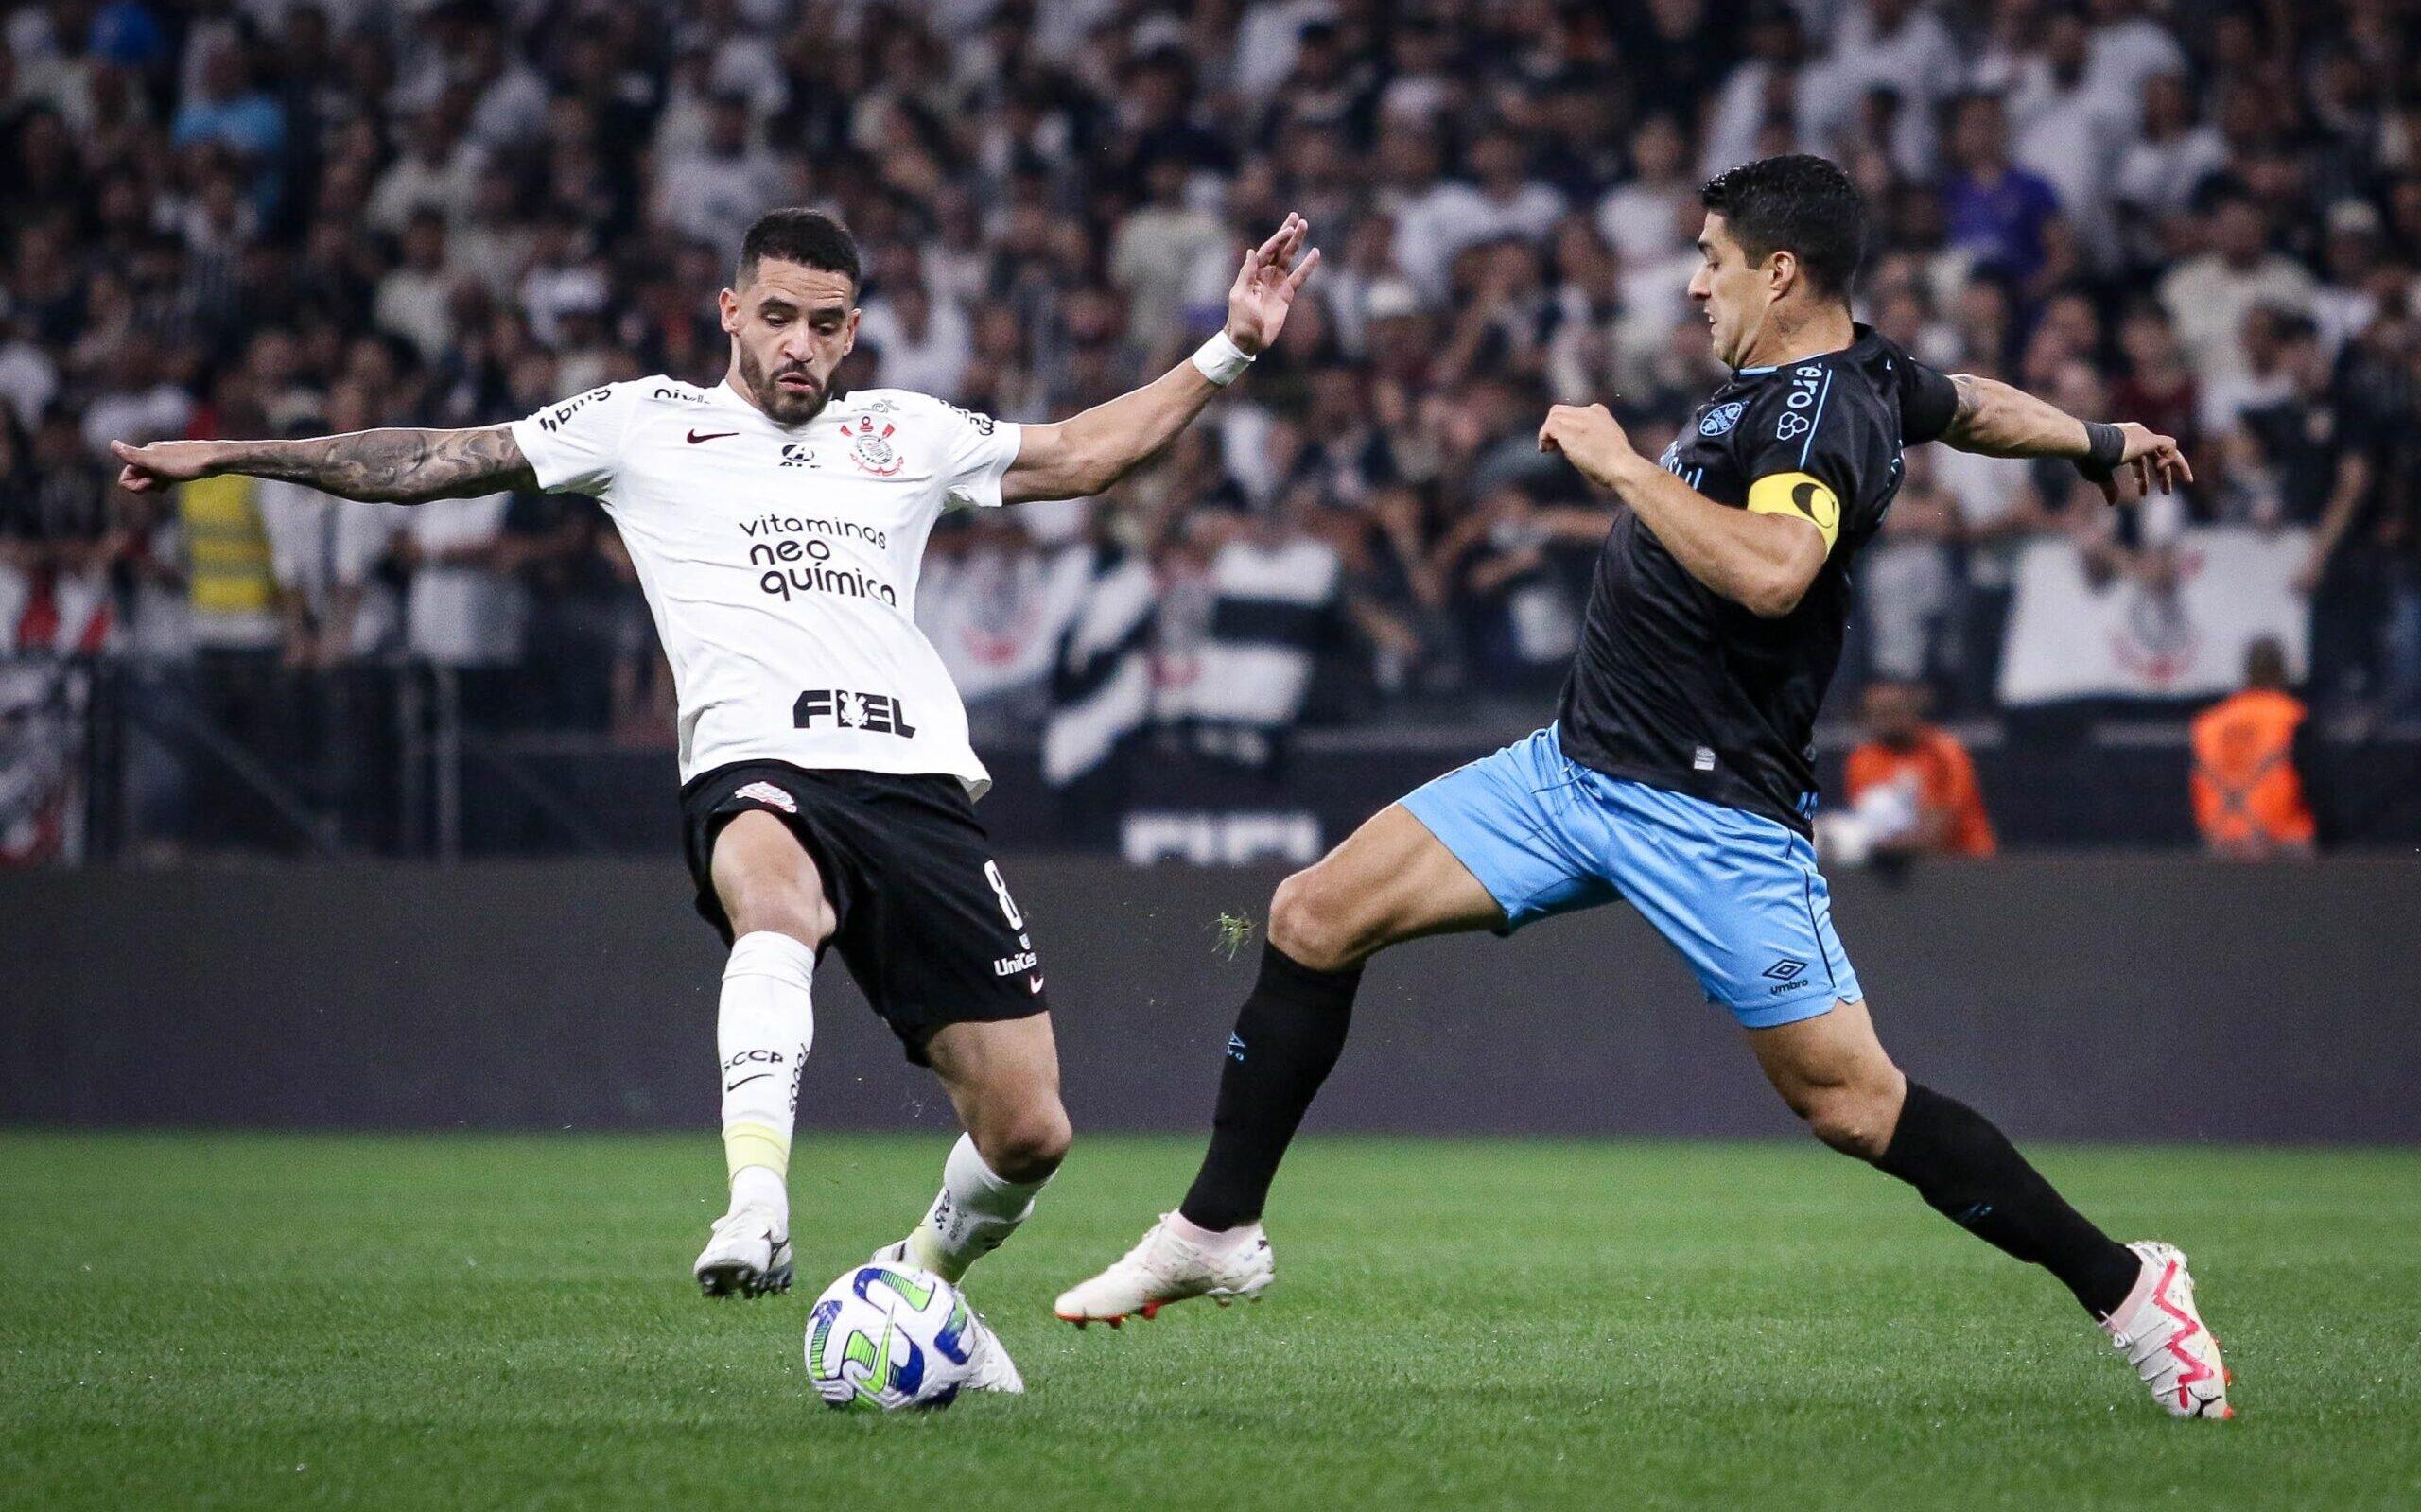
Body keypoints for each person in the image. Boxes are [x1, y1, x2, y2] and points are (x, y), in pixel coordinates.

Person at [1055, 156, 2233, 1422]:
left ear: (1780, 273)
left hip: (1711, 813)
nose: (1692, 283)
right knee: (1310, 912)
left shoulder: (1816, 415)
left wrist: (1619, 467)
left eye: (1712, 260)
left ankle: (2128, 1284)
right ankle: (1215, 1223)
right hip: (1572, 768)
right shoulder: (1870, 374)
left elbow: (1778, 570)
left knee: (1851, 1102)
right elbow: (1969, 404)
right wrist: (2096, 436)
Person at [113, 206, 1323, 1390]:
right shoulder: (644, 422)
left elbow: (1085, 453)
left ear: (854, 334)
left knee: (1028, 1133)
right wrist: (234, 453)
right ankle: (756, 1203)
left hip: (916, 789)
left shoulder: (902, 434)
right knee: (774, 902)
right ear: (732, 311)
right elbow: (436, 460)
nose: (801, 344)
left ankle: (913, 1283)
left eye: (828, 324)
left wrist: (1233, 348)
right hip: (758, 761)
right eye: (781, 316)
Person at [1838, 679, 1997, 860]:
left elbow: (1945, 823)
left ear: (1912, 711)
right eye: (1877, 714)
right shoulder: (1862, 760)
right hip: (1895, 869)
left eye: (1894, 711)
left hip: (1964, 859)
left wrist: (1892, 844)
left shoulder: (1945, 752)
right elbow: (1870, 820)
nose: (1886, 721)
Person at [2189, 636, 2317, 860]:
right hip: (2282, 843)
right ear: (2282, 671)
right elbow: (2317, 785)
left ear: (2246, 671)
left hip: (2221, 841)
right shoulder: (2292, 716)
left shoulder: (2208, 723)